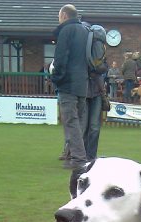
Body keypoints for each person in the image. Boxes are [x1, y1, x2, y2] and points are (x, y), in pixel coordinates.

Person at [51, 4, 89, 170]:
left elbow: (60, 58)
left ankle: (79, 159)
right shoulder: (85, 31)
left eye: (59, 17)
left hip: (69, 83)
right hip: (83, 82)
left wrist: (56, 78)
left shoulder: (65, 31)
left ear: (64, 16)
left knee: (71, 122)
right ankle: (70, 153)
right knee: (77, 122)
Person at [84, 62, 107, 161]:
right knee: (83, 127)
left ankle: (91, 156)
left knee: (94, 127)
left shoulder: (97, 50)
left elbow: (104, 67)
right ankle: (80, 155)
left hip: (97, 91)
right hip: (82, 90)